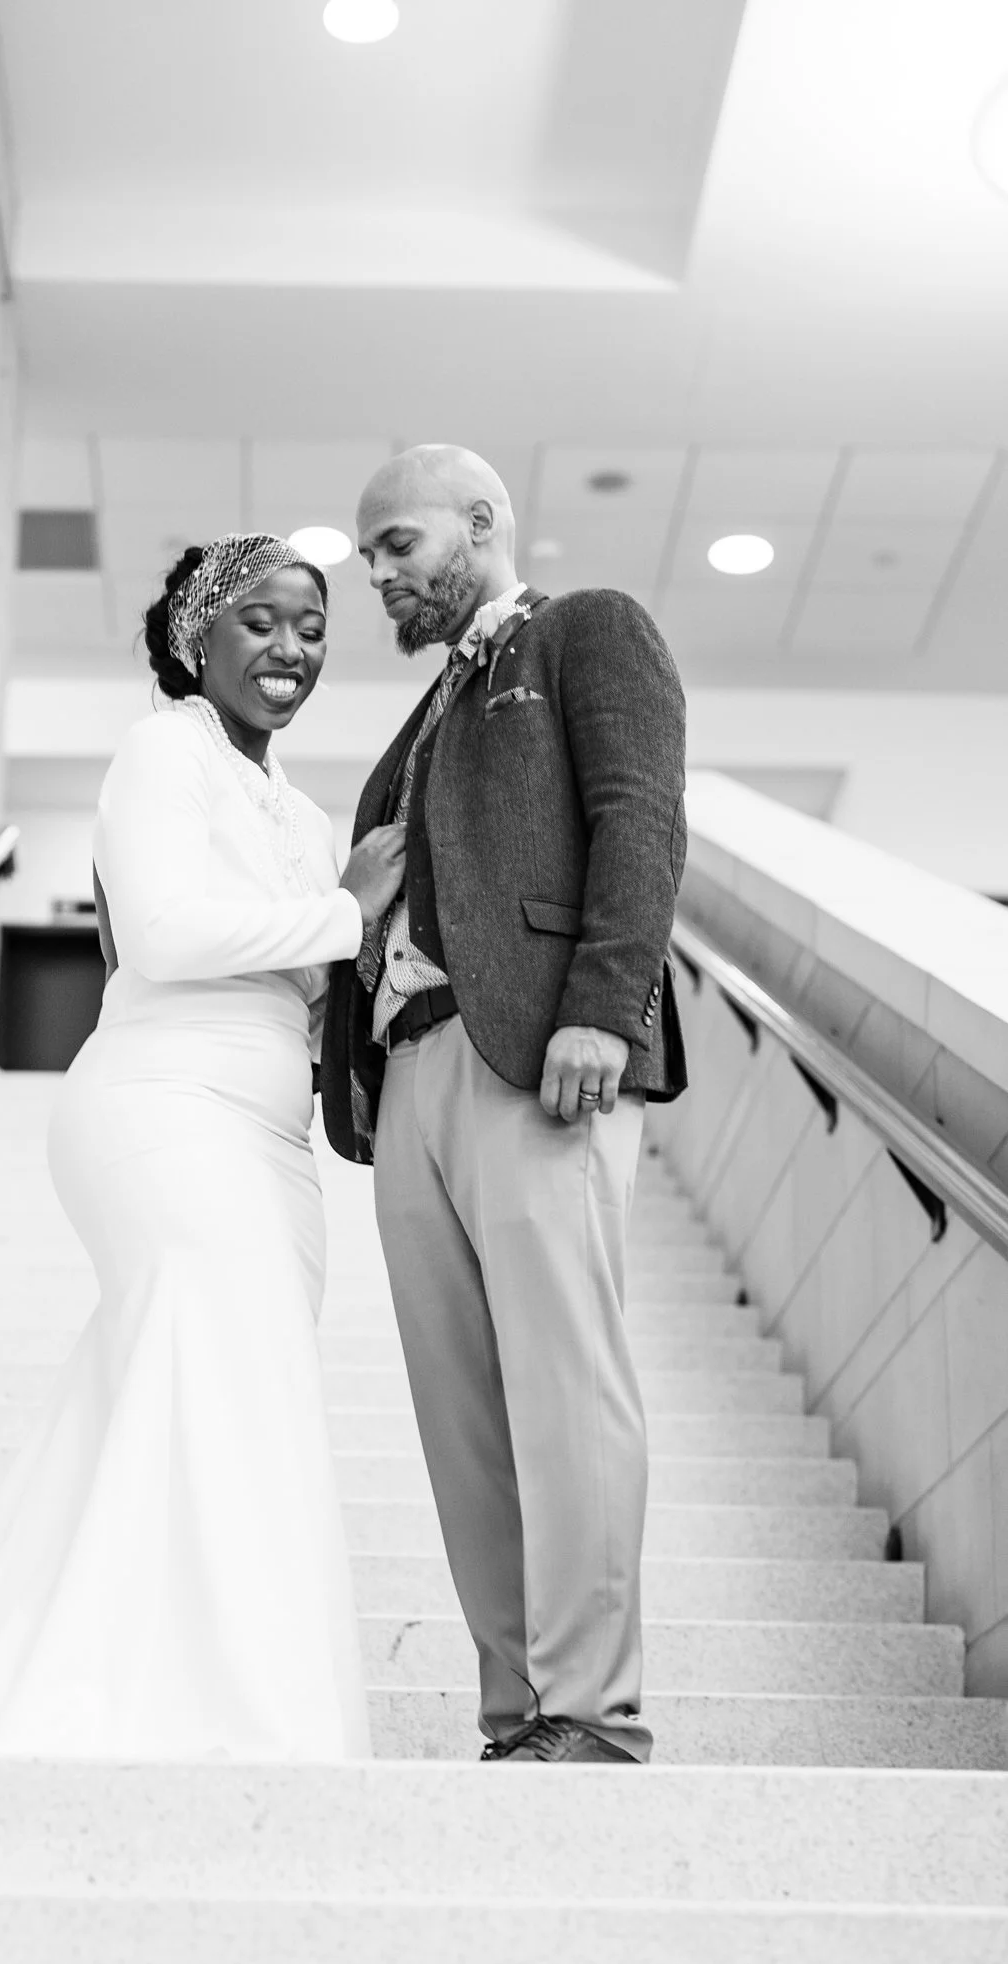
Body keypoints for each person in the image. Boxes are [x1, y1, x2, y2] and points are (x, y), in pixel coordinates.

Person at [0, 534, 406, 1761]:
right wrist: (349, 910)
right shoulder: (163, 750)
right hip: (159, 1106)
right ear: (198, 637)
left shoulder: (305, 815)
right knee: (215, 1358)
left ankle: (157, 1682)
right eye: (258, 620)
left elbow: (318, 984)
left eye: (311, 625)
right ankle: (238, 1719)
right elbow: (159, 931)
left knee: (203, 1392)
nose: (290, 646)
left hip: (274, 1140)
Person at [320, 446, 688, 1766]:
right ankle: (516, 1713)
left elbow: (639, 812)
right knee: (461, 1412)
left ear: (480, 524)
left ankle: (591, 1712)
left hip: (538, 1055)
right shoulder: (406, 737)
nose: (376, 576)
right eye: (367, 557)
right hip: (403, 1074)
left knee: (562, 1383)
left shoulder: (587, 632)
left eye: (397, 545)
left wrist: (605, 1002)